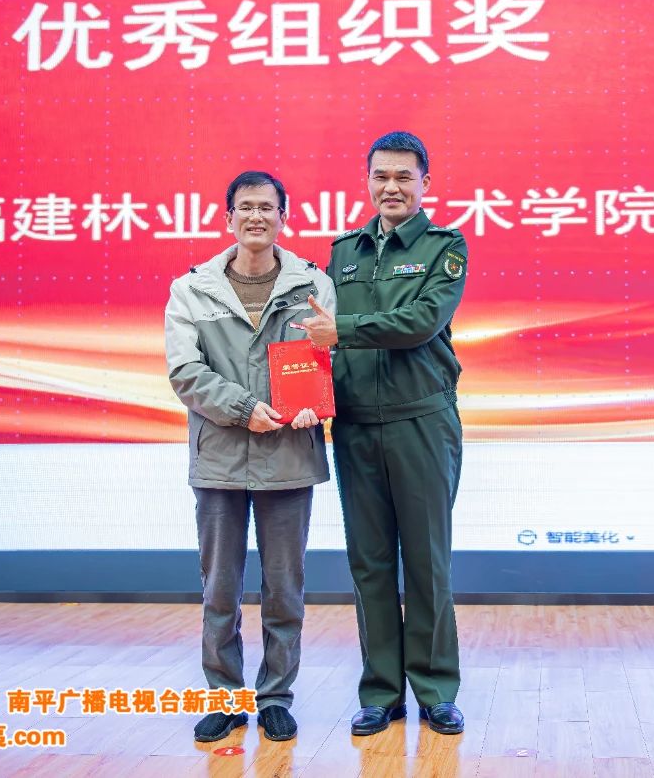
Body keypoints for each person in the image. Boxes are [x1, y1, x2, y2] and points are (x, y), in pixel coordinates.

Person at [300, 131, 468, 736]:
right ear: (367, 181)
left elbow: (420, 322)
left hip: (421, 421)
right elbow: (314, 331)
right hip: (355, 426)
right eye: (380, 176)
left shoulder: (446, 247)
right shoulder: (343, 252)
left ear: (425, 183)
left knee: (426, 561)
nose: (391, 187)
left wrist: (344, 332)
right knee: (369, 562)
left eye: (403, 176)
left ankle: (436, 689)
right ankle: (380, 692)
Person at [164, 170, 336, 744]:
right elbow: (185, 372)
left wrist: (315, 404)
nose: (256, 216)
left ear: (284, 217)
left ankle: (276, 697)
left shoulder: (313, 283)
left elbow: (327, 358)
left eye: (267, 207)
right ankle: (226, 698)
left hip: (289, 454)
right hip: (219, 458)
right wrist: (242, 409)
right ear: (228, 217)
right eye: (245, 207)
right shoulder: (192, 289)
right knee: (219, 588)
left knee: (285, 589)